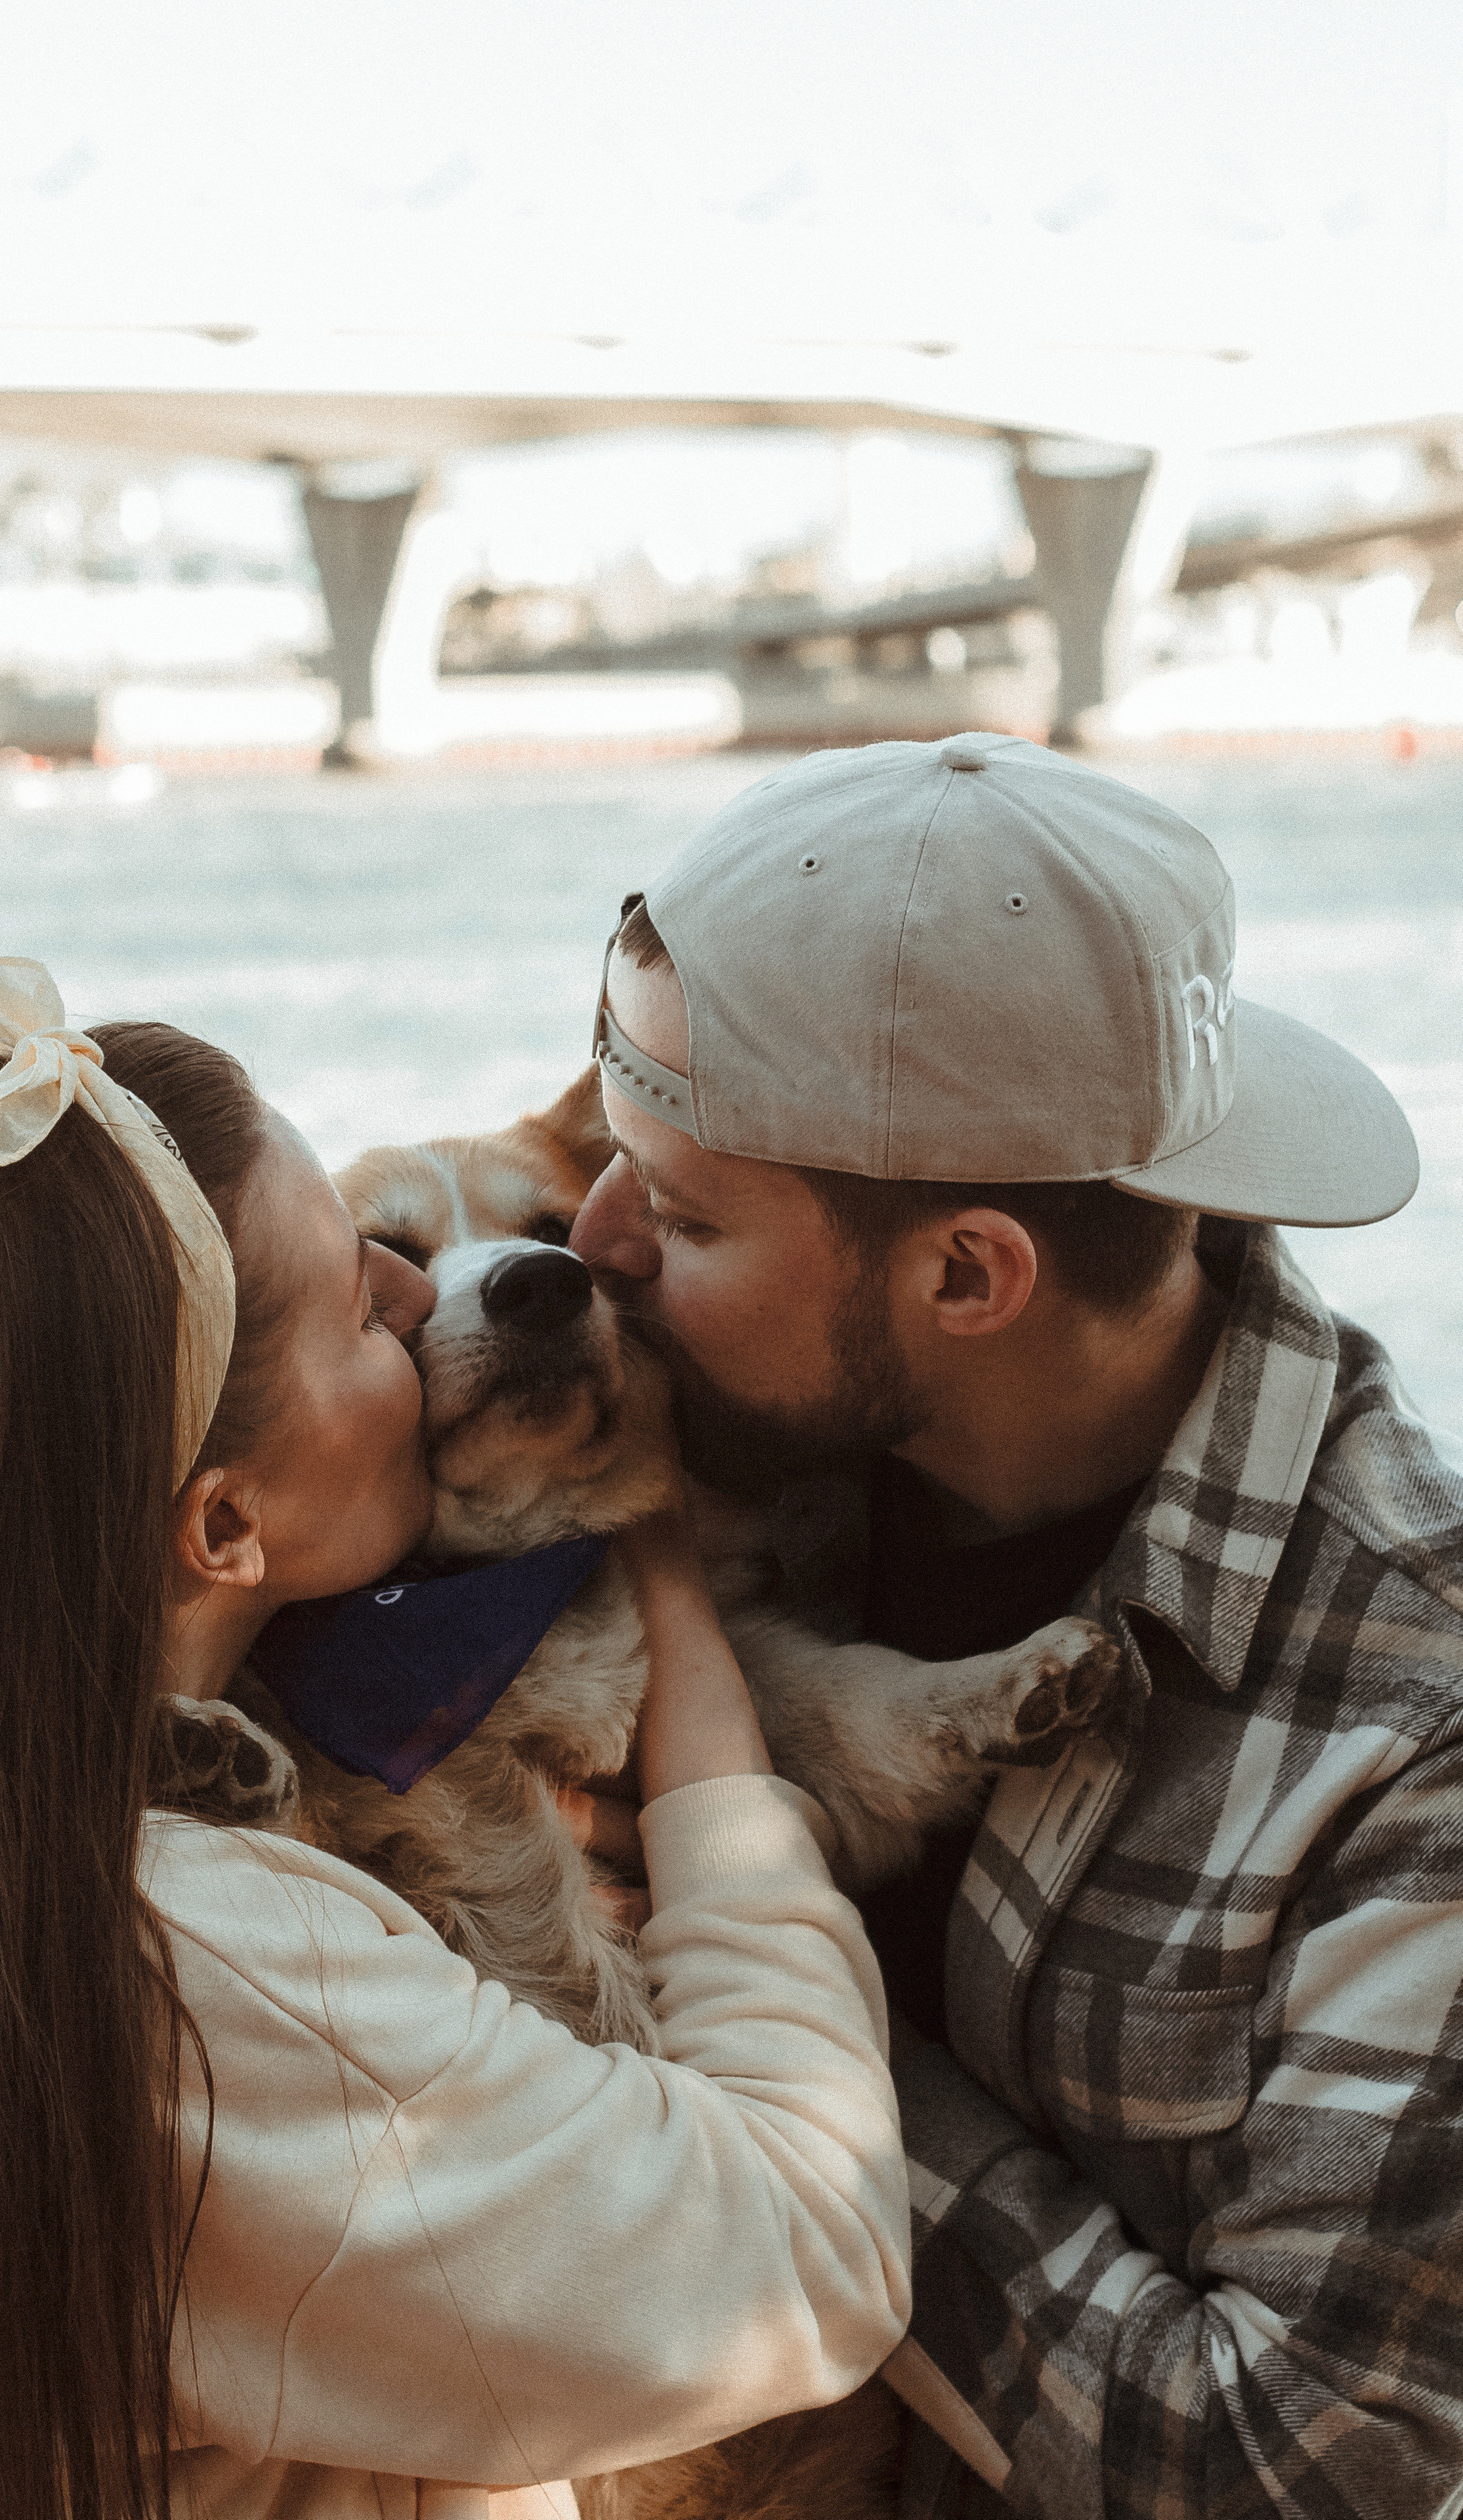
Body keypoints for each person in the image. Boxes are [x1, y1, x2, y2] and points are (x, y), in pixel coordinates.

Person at [0, 916, 910, 2520]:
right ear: (225, 1531)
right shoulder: (230, 1982)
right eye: (354, 1301)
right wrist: (710, 1760)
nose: (417, 1290)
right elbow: (808, 2259)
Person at [570, 734, 1463, 2520]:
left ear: (969, 1276)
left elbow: (1283, 2468)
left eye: (678, 1214)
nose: (588, 1241)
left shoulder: (1410, 1730)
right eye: (609, 1163)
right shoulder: (681, 1445)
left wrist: (758, 2015)